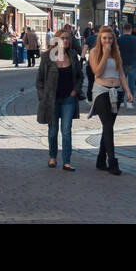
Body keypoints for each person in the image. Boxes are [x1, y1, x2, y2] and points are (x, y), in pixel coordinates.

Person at [87, 26, 134, 175]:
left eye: (110, 38)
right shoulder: (94, 52)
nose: (107, 41)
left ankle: (101, 159)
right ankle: (112, 162)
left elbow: (120, 72)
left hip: (116, 92)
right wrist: (105, 54)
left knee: (108, 126)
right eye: (104, 38)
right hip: (101, 90)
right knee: (108, 126)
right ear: (100, 39)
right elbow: (97, 72)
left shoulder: (116, 52)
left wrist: (127, 91)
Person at [36, 29, 80, 171]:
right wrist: (43, 97)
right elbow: (40, 80)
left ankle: (67, 161)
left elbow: (80, 77)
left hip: (68, 99)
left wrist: (75, 92)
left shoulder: (73, 56)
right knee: (53, 131)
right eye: (62, 38)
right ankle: (52, 157)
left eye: (67, 38)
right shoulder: (48, 57)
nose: (65, 41)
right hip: (52, 100)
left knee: (66, 130)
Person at [116, 22, 136, 106]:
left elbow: (115, 52)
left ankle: (120, 101)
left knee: (121, 82)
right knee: (132, 83)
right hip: (133, 62)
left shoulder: (119, 39)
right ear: (131, 30)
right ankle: (129, 101)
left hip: (121, 63)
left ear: (123, 29)